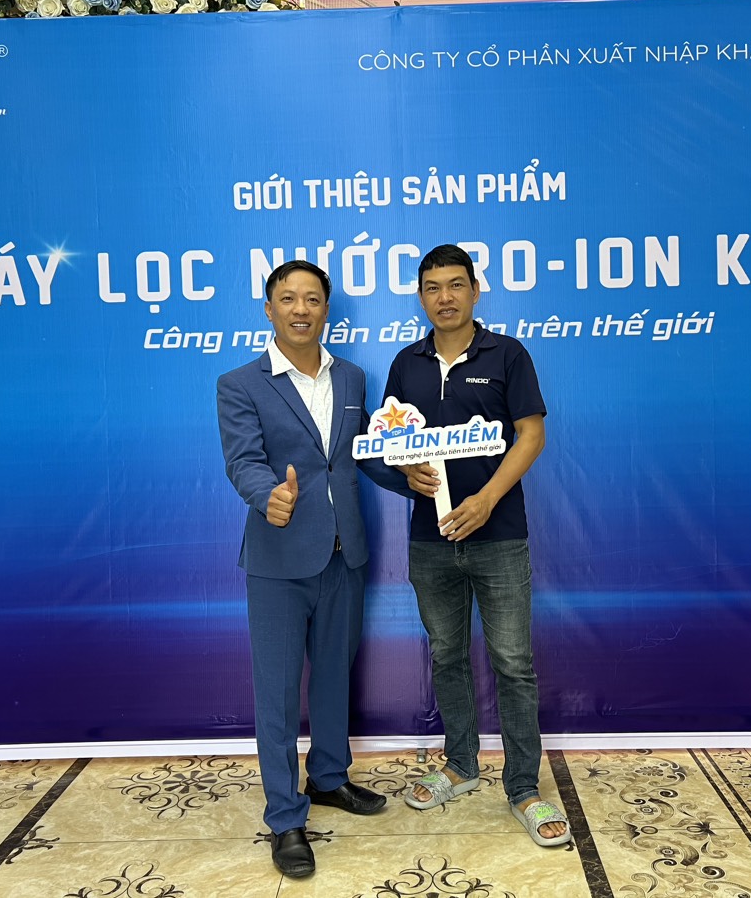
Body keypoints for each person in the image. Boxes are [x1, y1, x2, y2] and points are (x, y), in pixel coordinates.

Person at [381, 243, 570, 846]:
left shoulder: (507, 354)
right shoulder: (406, 363)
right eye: (432, 287)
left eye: (456, 284)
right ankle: (460, 766)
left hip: (499, 538)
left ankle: (524, 787)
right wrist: (405, 468)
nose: (445, 297)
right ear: (420, 297)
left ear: (475, 290)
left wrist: (487, 499)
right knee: (447, 656)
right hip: (431, 539)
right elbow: (391, 440)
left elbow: (531, 434)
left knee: (513, 662)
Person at [216, 260, 396, 878]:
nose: (301, 309)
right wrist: (267, 495)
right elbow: (243, 460)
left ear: (326, 309)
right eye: (288, 299)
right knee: (276, 692)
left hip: (345, 554)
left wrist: (415, 476)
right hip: (279, 560)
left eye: (312, 299)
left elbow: (362, 455)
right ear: (269, 310)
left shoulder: (352, 377)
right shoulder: (240, 384)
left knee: (333, 678)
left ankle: (328, 778)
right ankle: (286, 818)